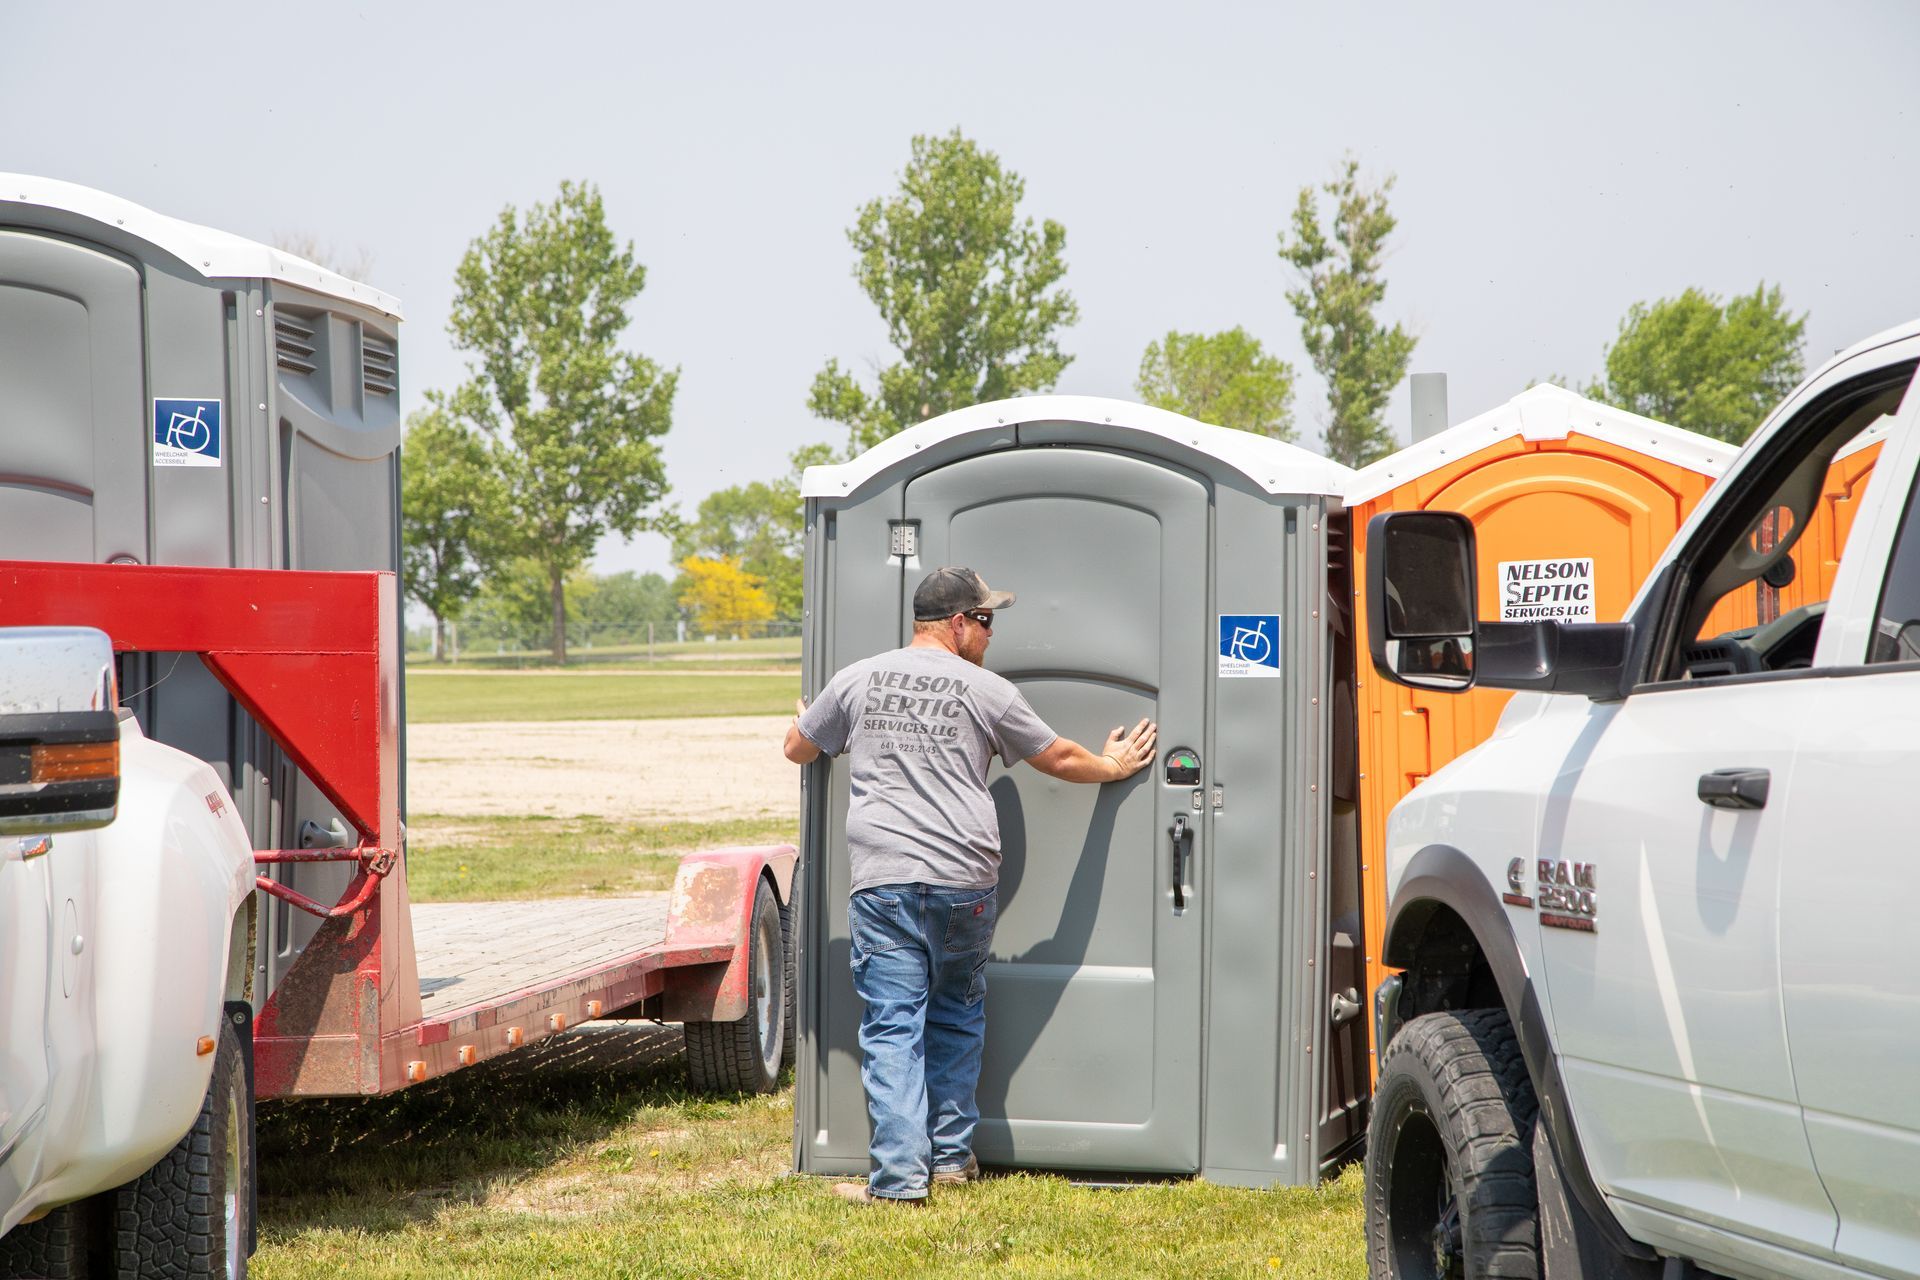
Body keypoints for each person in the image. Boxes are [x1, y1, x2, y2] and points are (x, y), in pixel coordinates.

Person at [784, 566, 1158, 1206]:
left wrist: (811, 723)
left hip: (886, 882)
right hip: (965, 885)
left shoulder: (855, 679)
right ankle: (951, 1160)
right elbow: (1059, 758)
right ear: (957, 624)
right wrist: (1114, 765)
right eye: (986, 620)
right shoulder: (987, 691)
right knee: (956, 1014)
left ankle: (900, 1180)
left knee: (894, 1025)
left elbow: (797, 748)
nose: (991, 633)